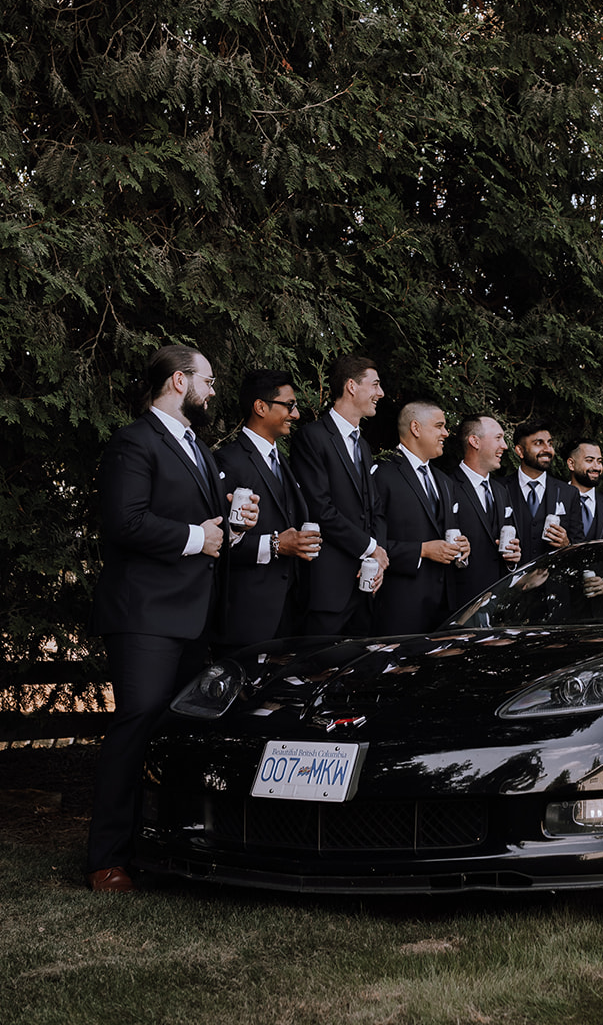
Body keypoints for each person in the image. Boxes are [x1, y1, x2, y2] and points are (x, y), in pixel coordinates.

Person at [86, 344, 243, 891]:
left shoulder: (196, 444)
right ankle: (107, 858)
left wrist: (230, 526)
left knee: (179, 737)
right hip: (145, 613)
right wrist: (199, 536)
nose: (213, 389)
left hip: (192, 614)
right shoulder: (135, 441)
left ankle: (169, 851)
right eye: (208, 379)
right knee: (135, 728)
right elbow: (125, 523)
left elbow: (203, 524)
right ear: (179, 381)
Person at [214, 368, 319, 649]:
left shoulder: (282, 461)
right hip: (246, 615)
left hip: (290, 613)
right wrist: (274, 545)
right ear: (261, 407)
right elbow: (219, 542)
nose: (295, 415)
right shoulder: (228, 461)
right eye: (290, 405)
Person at [290, 355, 388, 634]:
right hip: (328, 589)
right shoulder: (312, 437)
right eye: (375, 385)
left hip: (366, 587)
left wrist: (377, 557)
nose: (380, 393)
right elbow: (320, 508)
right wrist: (371, 548)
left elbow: (375, 509)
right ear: (351, 386)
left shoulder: (364, 446)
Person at [373, 400, 469, 634]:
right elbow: (372, 544)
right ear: (416, 428)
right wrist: (422, 550)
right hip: (400, 608)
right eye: (439, 426)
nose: (446, 433)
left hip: (444, 609)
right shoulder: (381, 474)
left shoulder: (444, 481)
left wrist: (463, 549)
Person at [451, 413, 521, 608]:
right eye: (498, 438)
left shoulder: (501, 491)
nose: (505, 446)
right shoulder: (448, 487)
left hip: (497, 604)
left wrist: (512, 559)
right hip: (459, 605)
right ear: (475, 441)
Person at [498, 418, 584, 561]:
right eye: (538, 443)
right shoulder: (499, 488)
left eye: (549, 443)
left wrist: (566, 544)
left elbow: (579, 545)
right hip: (510, 580)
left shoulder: (569, 493)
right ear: (520, 450)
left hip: (552, 581)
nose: (547, 449)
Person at [564, 437, 603, 540]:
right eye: (589, 460)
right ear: (571, 464)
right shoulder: (554, 501)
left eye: (599, 461)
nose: (597, 467)